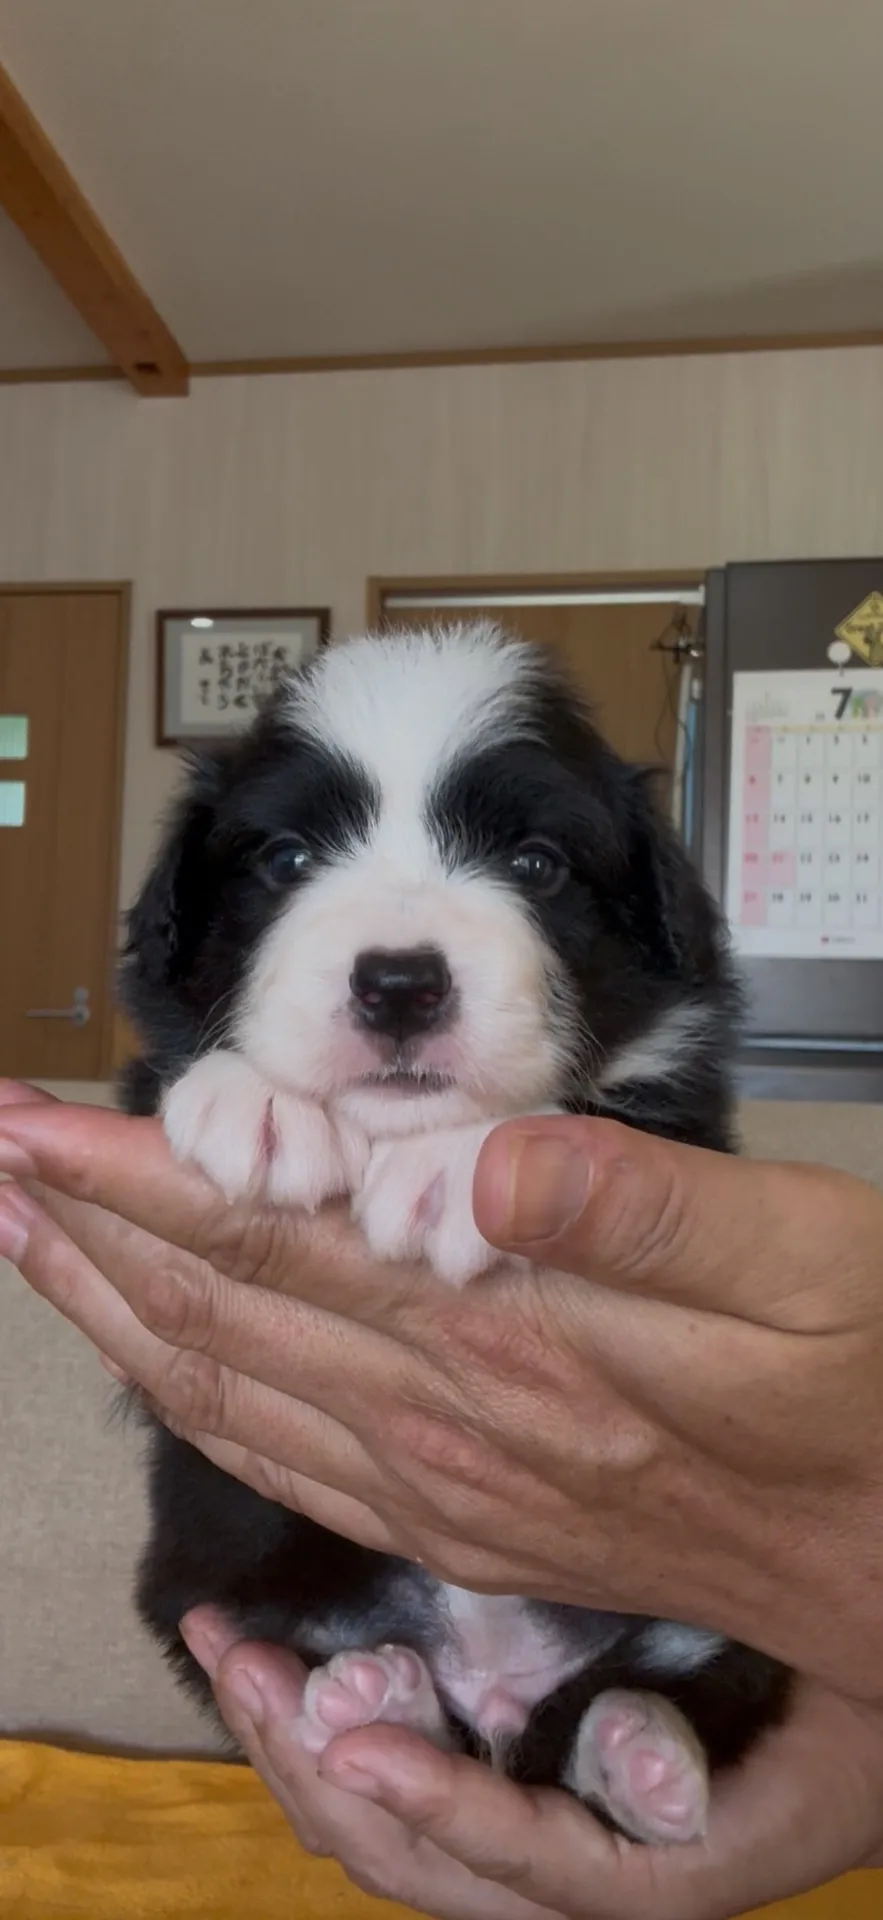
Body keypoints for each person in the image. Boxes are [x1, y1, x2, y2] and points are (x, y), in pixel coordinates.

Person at [1, 1077, 883, 1919]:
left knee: (684, 1687)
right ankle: (484, 1732)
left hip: (619, 1646)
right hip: (337, 1598)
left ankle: (570, 1730)